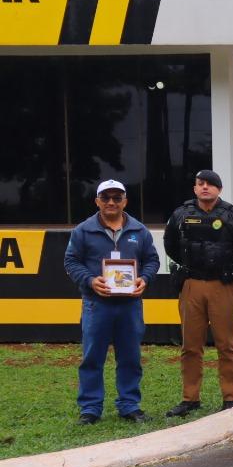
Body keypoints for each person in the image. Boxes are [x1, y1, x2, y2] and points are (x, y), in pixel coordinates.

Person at [63, 180, 161, 424]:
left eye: (117, 198)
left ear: (124, 201)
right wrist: (89, 280)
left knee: (130, 357)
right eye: (105, 197)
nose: (111, 202)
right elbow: (71, 261)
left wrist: (145, 278)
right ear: (97, 201)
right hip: (97, 304)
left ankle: (129, 405)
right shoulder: (83, 230)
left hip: (130, 305)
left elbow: (152, 260)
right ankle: (90, 409)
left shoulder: (139, 231)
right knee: (92, 357)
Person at [162, 169, 233, 418]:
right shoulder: (181, 214)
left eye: (210, 184)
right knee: (190, 345)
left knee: (226, 344)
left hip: (223, 286)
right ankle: (190, 398)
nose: (205, 188)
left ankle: (230, 397)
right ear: (194, 188)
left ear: (219, 189)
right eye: (200, 183)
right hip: (192, 284)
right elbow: (170, 245)